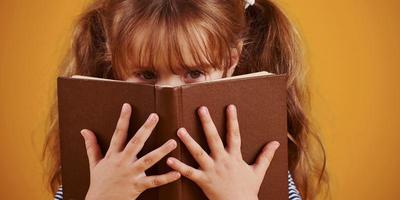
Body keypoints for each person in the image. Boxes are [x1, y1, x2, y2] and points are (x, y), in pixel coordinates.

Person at [43, 0, 329, 199]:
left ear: (231, 59)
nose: (169, 91)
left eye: (194, 72)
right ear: (114, 61)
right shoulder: (98, 162)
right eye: (146, 74)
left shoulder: (255, 159)